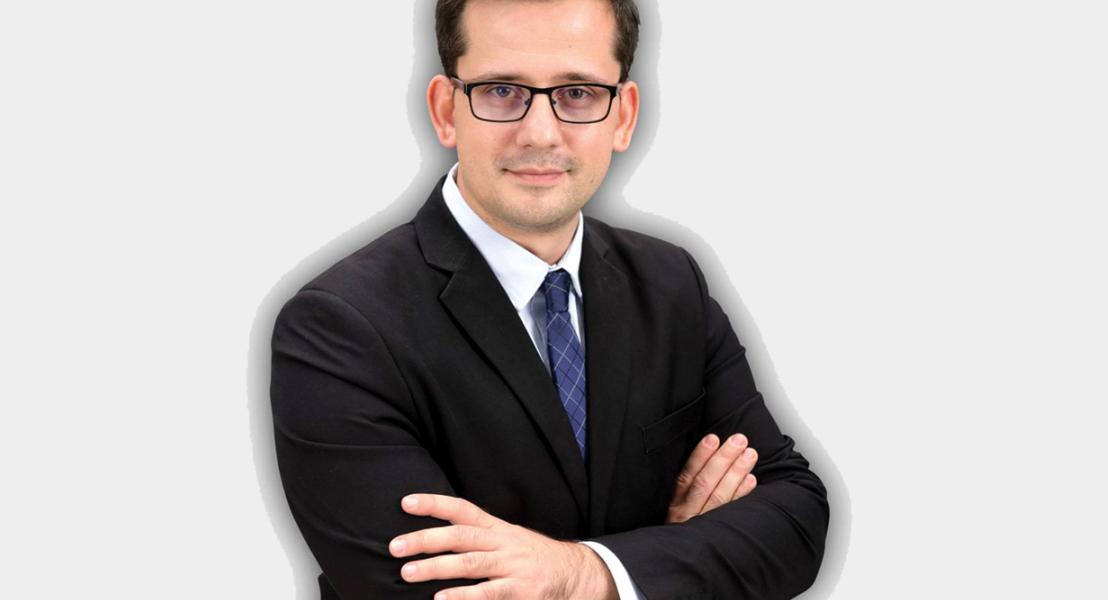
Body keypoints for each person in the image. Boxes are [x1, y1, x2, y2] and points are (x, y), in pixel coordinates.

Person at [269, 0, 829, 597]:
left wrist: (587, 574)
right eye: (501, 91)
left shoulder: (672, 283)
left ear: (623, 117)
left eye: (579, 93)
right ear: (446, 110)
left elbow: (795, 518)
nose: (540, 133)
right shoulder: (338, 328)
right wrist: (673, 563)